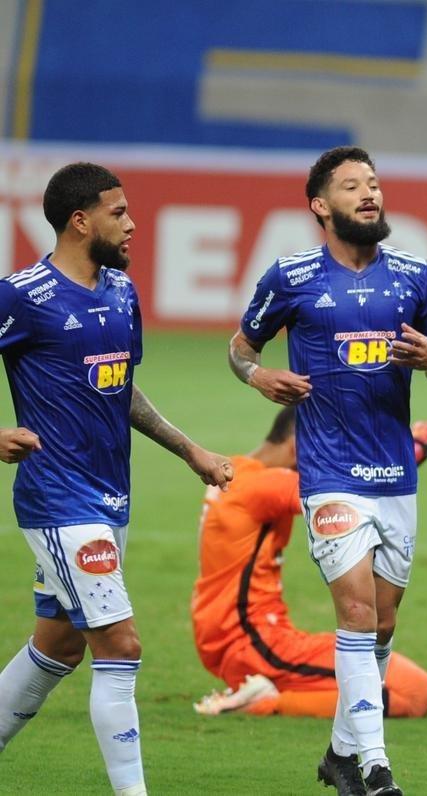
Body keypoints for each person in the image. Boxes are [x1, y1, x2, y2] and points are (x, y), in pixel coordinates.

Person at [229, 146, 427, 796]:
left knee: (382, 623)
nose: (370, 194)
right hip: (328, 473)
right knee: (356, 612)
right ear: (320, 206)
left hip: (395, 478)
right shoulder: (292, 276)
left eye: (375, 184)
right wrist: (259, 375)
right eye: (353, 186)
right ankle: (377, 769)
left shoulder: (414, 275)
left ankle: (338, 755)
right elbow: (240, 349)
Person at [0, 163, 233, 796]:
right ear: (81, 221)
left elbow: (121, 390)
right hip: (58, 500)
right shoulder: (22, 295)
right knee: (121, 647)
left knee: (60, 646)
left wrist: (189, 450)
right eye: (119, 213)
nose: (133, 225)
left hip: (109, 500)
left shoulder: (120, 293)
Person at [191, 409, 427, 720]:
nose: (330, 460)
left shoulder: (237, 472)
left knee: (371, 676)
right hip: (253, 642)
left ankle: (270, 689)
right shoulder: (259, 486)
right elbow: (346, 490)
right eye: (325, 450)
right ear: (297, 447)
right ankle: (263, 702)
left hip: (236, 635)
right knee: (415, 692)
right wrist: (412, 449)